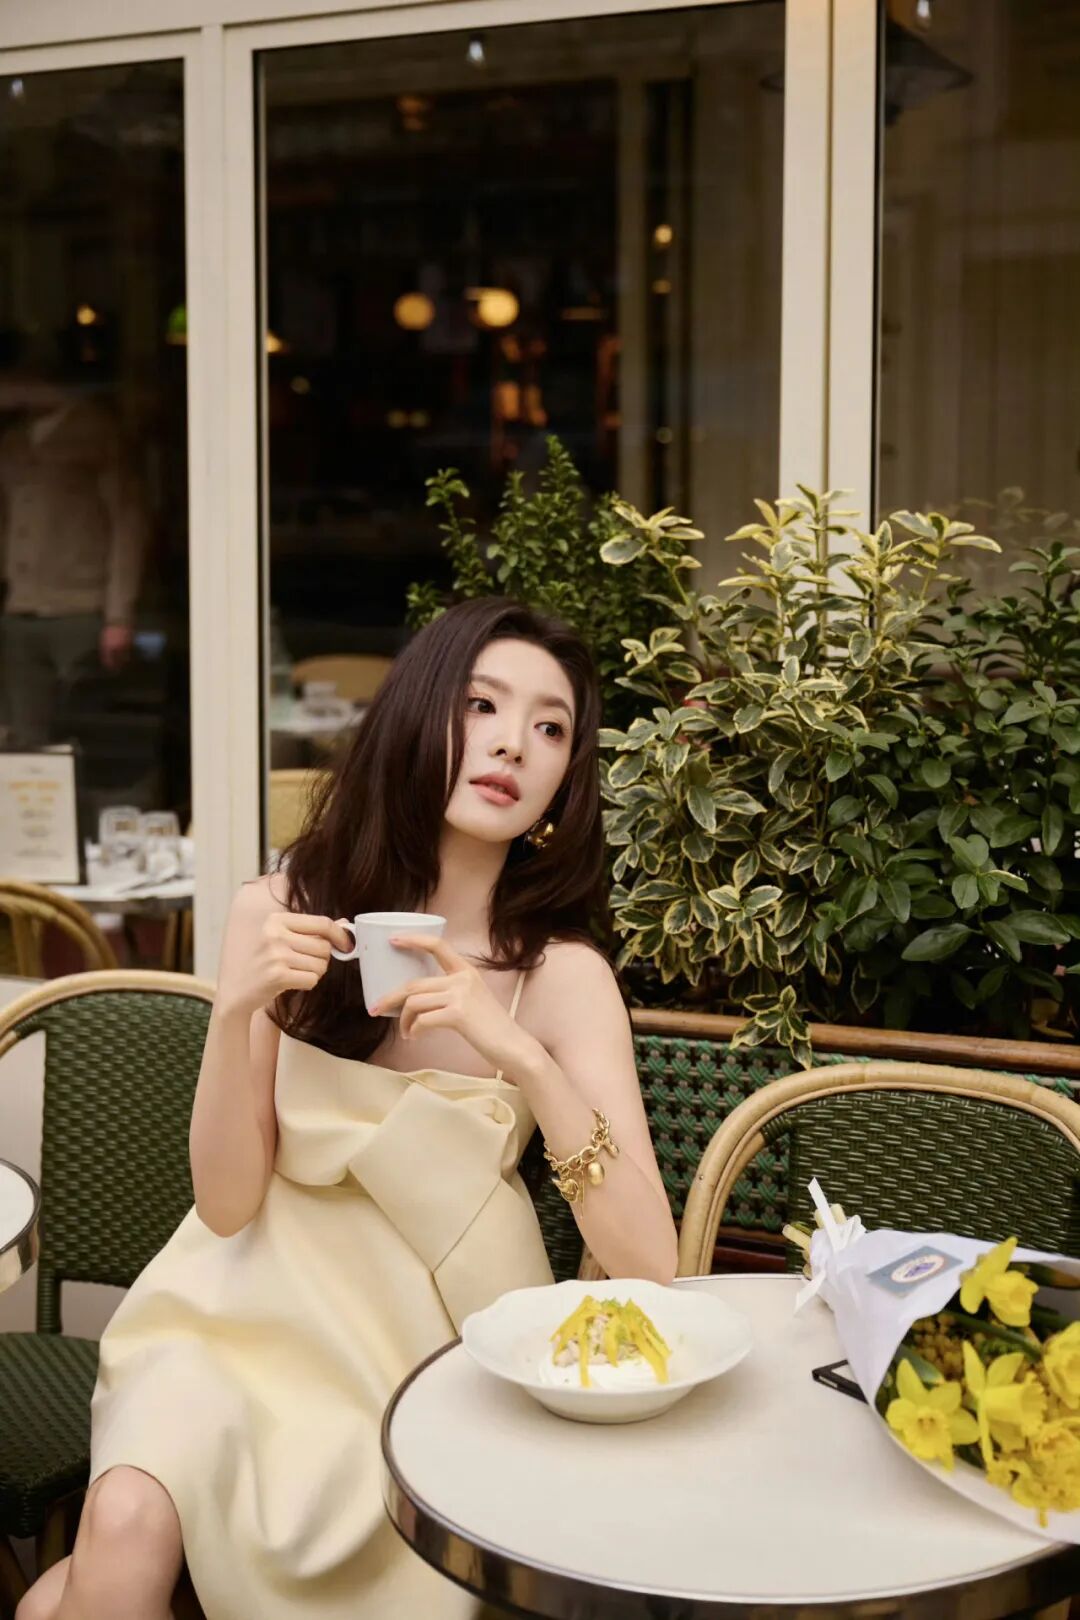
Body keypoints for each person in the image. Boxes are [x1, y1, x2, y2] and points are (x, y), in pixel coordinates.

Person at [17, 596, 678, 1620]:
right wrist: (235, 1014)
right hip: (231, 1315)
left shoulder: (561, 977)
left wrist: (522, 1057)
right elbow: (227, 1204)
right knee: (127, 1522)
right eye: (482, 705)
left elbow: (649, 1263)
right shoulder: (281, 910)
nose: (514, 742)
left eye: (550, 727)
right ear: (420, 714)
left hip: (425, 1352)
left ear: (565, 779)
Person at [0, 337, 145, 749]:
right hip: (20, 608)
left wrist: (118, 615)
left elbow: (128, 523)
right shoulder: (13, 440)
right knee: (26, 737)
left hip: (81, 608)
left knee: (85, 731)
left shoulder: (97, 431)